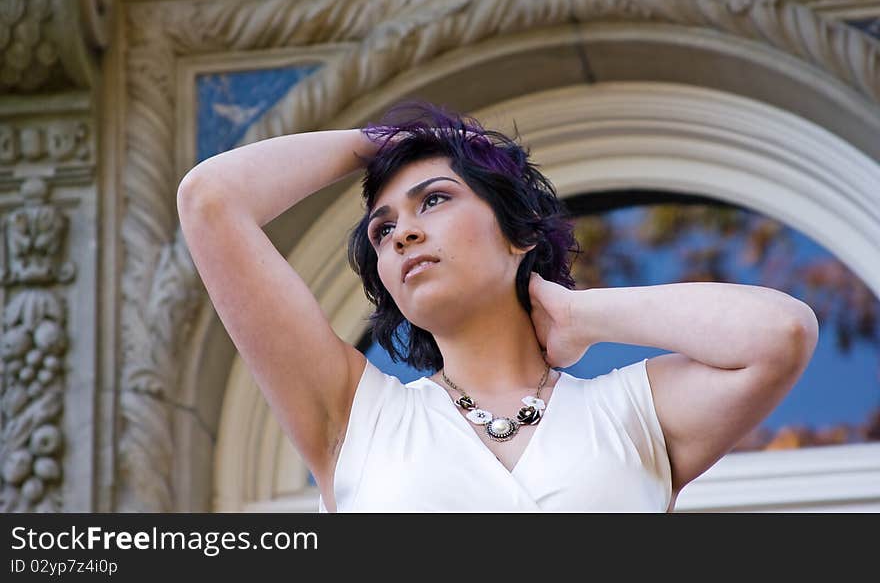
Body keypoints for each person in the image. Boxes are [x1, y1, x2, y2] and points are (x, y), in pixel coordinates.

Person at [177, 100, 819, 513]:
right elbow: (211, 200)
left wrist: (583, 316)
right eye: (381, 229)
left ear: (520, 234)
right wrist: (386, 140)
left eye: (434, 200)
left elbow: (781, 332)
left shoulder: (625, 415)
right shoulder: (357, 418)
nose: (400, 232)